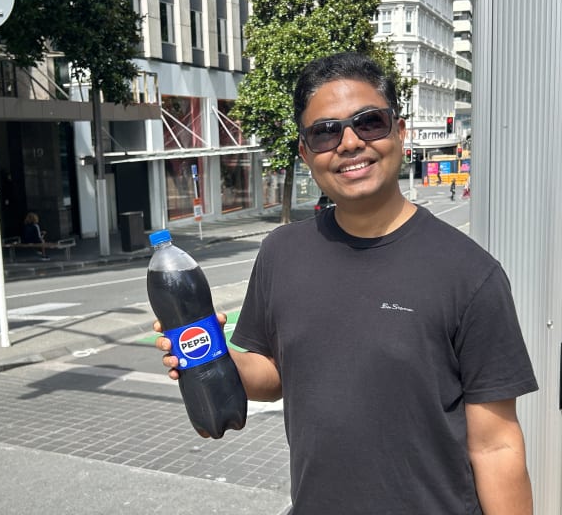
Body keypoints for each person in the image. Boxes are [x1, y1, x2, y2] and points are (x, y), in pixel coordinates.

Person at [154, 52, 537, 514]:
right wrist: (210, 357)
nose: (350, 143)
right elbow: (275, 375)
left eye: (369, 122)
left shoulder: (470, 273)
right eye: (325, 131)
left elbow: (497, 447)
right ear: (305, 152)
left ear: (400, 131)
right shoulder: (282, 252)